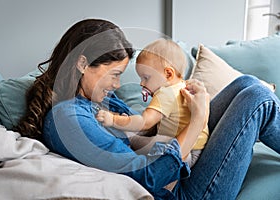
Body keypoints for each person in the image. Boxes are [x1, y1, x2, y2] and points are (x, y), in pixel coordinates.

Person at [15, 18, 280, 199]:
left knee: (247, 84)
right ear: (83, 64)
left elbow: (143, 133)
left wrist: (172, 102)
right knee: (258, 99)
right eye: (115, 74)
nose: (118, 84)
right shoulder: (69, 118)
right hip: (181, 191)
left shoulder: (96, 102)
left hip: (181, 163)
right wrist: (197, 120)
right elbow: (149, 177)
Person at [96, 38, 209, 167]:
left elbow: (145, 122)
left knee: (161, 141)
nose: (141, 84)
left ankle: (131, 138)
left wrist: (113, 120)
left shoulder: (166, 94)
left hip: (186, 154)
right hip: (198, 150)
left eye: (146, 78)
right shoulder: (182, 86)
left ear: (168, 74)